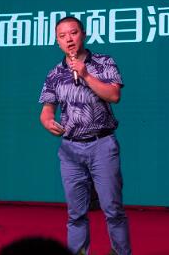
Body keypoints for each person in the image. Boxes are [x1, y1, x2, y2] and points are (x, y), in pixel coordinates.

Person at [39, 16, 132, 255]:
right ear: (57, 41)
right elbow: (47, 108)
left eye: (73, 33)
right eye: (62, 36)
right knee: (76, 213)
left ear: (84, 34)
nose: (68, 39)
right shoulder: (55, 73)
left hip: (102, 144)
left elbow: (114, 96)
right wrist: (48, 121)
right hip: (70, 149)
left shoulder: (104, 62)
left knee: (113, 210)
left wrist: (86, 75)